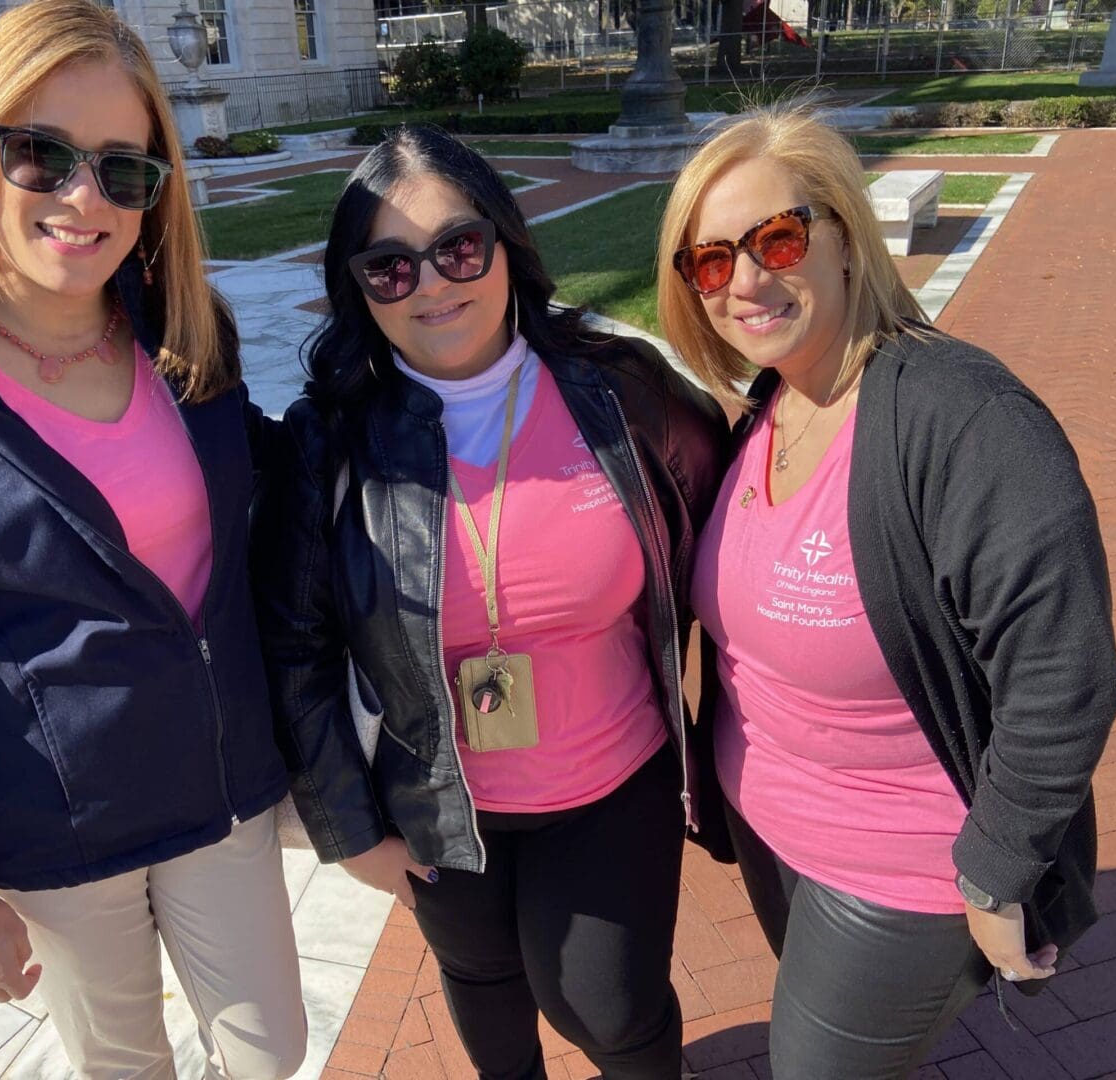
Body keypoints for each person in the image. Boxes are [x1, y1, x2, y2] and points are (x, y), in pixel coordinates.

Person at [0, 3, 305, 1077]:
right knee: (125, 1067)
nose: (86, 199)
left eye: (126, 170)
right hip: (58, 830)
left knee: (272, 1052)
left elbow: (277, 477)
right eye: (43, 154)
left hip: (220, 790)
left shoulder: (181, 328)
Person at [251, 124, 728, 1080]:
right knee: (482, 983)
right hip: (435, 800)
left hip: (613, 779)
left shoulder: (618, 391)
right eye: (390, 268)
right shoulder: (328, 441)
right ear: (360, 290)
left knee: (608, 1003)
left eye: (458, 246)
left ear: (506, 242)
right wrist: (351, 833)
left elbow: (736, 519)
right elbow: (293, 649)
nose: (432, 283)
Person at [656, 106, 1116, 1079]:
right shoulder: (774, 406)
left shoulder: (963, 420)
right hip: (776, 834)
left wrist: (997, 876)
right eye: (708, 261)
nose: (744, 280)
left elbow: (1065, 674)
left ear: (842, 240)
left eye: (775, 238)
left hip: (901, 864)